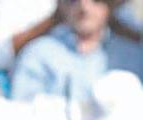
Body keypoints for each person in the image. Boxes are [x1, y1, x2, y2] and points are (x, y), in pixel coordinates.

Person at [11, 0, 143, 105]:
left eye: (96, 0)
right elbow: (23, 111)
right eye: (73, 0)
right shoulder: (38, 54)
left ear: (110, 5)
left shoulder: (132, 56)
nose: (84, 7)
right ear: (61, 5)